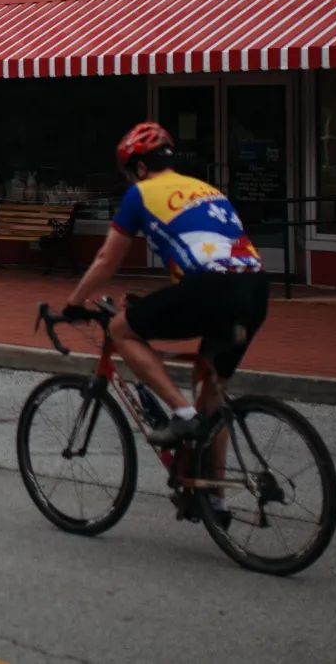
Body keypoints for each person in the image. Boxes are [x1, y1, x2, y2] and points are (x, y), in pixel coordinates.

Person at [61, 122, 270, 446]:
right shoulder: (206, 189)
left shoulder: (140, 193)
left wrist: (74, 304)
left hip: (212, 288)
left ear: (141, 167)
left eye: (130, 172)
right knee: (212, 399)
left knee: (120, 329)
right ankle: (211, 497)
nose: (130, 179)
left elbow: (107, 260)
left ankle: (183, 415)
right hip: (255, 290)